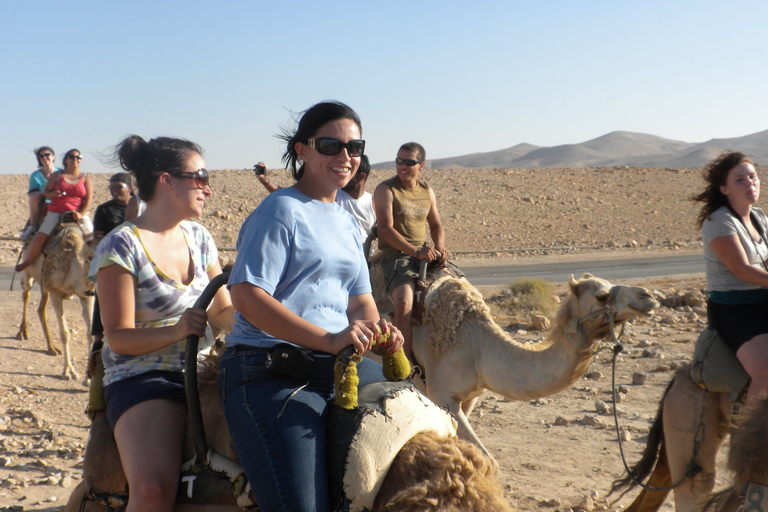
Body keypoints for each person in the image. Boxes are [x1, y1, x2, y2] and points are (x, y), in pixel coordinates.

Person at [219, 100, 405, 512]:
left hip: (335, 360)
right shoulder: (279, 210)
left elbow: (360, 301)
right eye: (330, 145)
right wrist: (330, 339)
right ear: (302, 150)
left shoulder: (344, 218)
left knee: (412, 417)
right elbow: (246, 296)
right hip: (268, 367)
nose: (345, 157)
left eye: (354, 148)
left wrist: (377, 331)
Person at [89, 135, 235, 512]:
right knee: (153, 489)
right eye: (199, 176)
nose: (208, 187)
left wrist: (266, 320)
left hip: (207, 370)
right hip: (147, 376)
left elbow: (221, 312)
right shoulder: (122, 246)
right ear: (167, 181)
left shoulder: (200, 238)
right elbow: (118, 337)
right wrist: (177, 330)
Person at [694, 150, 768, 405]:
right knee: (765, 373)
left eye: (752, 176)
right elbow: (742, 269)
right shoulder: (718, 221)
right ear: (724, 189)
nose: (750, 183)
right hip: (734, 307)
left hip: (763, 299)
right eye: (740, 179)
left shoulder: (758, 217)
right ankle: (755, 439)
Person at [372, 142, 449, 359]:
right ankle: (400, 364)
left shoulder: (427, 191)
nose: (402, 166)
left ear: (421, 165)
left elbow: (436, 225)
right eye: (399, 161)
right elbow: (385, 230)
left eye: (409, 162)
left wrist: (439, 246)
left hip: (422, 253)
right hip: (396, 256)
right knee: (405, 301)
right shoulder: (385, 190)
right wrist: (416, 252)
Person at [256, 155, 376, 241]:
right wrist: (265, 181)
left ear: (361, 176)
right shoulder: (333, 194)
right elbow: (291, 196)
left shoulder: (373, 203)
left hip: (364, 262)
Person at [15, 149, 94, 272]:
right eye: (72, 157)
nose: (75, 159)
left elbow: (88, 199)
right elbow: (46, 192)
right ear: (66, 160)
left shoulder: (85, 178)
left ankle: (98, 265)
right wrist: (53, 195)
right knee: (40, 236)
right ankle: (28, 261)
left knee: (93, 238)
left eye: (78, 157)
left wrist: (81, 213)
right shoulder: (57, 176)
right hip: (57, 211)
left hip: (78, 212)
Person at [90, 172, 134, 352]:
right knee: (103, 291)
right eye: (112, 187)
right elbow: (98, 236)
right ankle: (98, 341)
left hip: (139, 256)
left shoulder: (143, 206)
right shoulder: (104, 209)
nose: (114, 191)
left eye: (119, 187)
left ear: (130, 188)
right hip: (112, 256)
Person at [22, 146, 61, 239]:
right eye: (41, 156)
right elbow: (32, 193)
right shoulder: (36, 175)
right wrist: (47, 195)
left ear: (53, 157)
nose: (44, 157)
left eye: (47, 155)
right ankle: (32, 227)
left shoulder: (62, 173)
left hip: (61, 202)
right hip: (43, 204)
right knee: (34, 197)